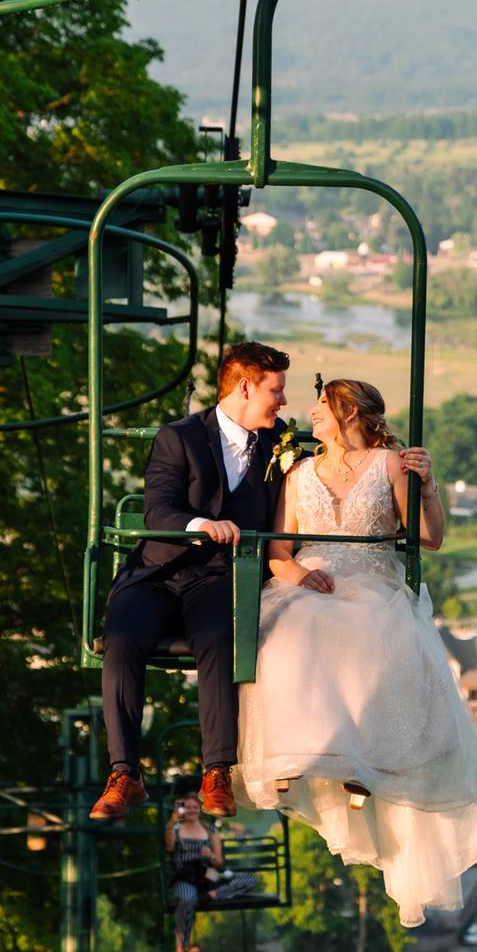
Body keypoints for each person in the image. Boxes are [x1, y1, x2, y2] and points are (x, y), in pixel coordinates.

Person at [237, 379, 477, 927]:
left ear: (347, 411)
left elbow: (429, 537)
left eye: (321, 407)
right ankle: (296, 756)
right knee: (286, 634)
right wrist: (302, 574)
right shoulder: (298, 473)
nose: (310, 415)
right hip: (313, 585)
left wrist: (428, 487)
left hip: (371, 584)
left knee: (370, 639)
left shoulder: (390, 465)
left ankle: (363, 762)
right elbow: (280, 552)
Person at [93, 341, 293, 822]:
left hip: (219, 577)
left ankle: (217, 770)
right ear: (245, 386)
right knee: (122, 640)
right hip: (159, 571)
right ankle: (124, 774)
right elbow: (159, 506)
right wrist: (200, 525)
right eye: (276, 389)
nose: (283, 401)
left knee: (218, 638)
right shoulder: (179, 437)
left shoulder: (280, 441)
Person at [165, 786, 261, 952]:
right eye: (188, 807)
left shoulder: (210, 830)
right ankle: (181, 947)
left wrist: (210, 856)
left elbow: (218, 863)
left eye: (195, 807)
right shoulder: (176, 829)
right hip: (186, 875)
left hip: (207, 873)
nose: (192, 811)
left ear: (200, 809)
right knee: (187, 898)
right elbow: (169, 847)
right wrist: (173, 820)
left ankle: (213, 895)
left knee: (250, 879)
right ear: (182, 809)